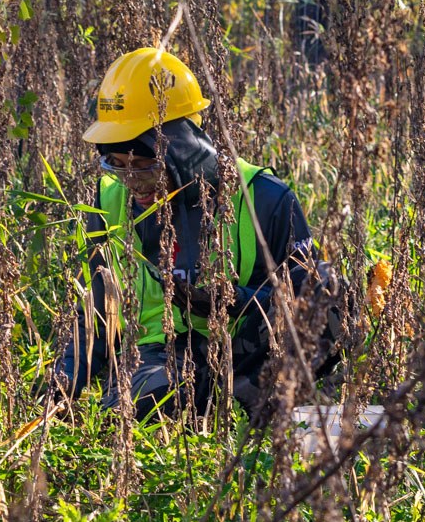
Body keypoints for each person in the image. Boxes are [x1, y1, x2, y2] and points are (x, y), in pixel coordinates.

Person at [48, 46, 349, 425]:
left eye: (145, 165)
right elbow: (95, 312)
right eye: (117, 164)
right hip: (160, 358)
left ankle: (259, 405)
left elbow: (308, 297)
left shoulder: (264, 198)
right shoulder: (108, 201)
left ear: (181, 146)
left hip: (249, 351)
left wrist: (231, 301)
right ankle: (203, 407)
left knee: (332, 293)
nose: (132, 180)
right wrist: (61, 387)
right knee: (138, 407)